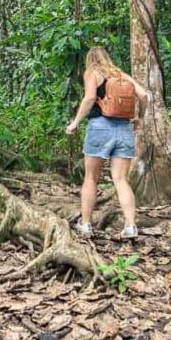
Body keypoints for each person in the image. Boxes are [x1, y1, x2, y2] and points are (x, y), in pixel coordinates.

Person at [65, 45, 147, 239]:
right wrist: (140, 118)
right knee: (120, 179)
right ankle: (130, 226)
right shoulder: (120, 74)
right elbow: (143, 95)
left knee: (91, 178)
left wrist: (75, 123)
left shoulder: (92, 72)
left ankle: (85, 224)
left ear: (90, 59)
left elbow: (90, 97)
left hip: (100, 128)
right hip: (124, 129)